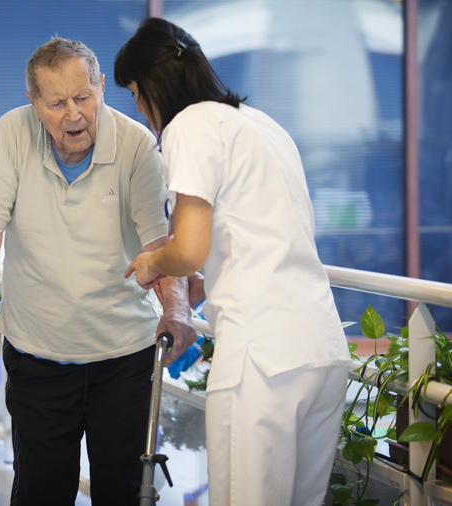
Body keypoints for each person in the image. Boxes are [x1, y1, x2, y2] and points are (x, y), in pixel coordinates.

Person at [0, 37, 196, 505]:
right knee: (41, 489)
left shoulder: (137, 146)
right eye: (57, 102)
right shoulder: (12, 133)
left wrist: (177, 310)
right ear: (34, 103)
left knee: (121, 490)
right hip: (39, 353)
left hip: (123, 354)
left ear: (102, 87)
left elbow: (161, 244)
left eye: (83, 97)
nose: (73, 114)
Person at [116, 18, 354, 506]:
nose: (139, 109)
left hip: (262, 360)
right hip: (321, 350)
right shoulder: (261, 123)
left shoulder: (190, 126)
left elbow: (188, 248)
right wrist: (209, 283)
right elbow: (263, 237)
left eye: (135, 94)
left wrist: (151, 263)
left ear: (150, 88)